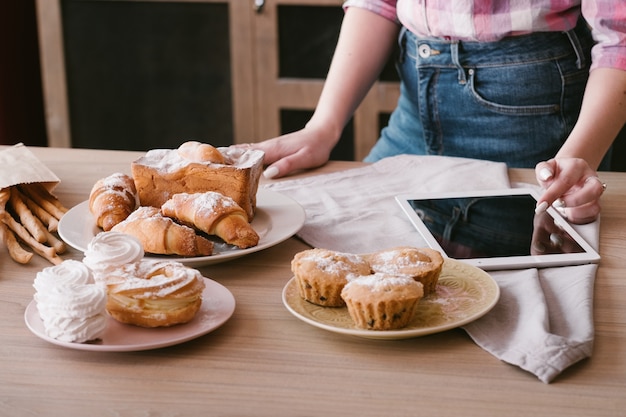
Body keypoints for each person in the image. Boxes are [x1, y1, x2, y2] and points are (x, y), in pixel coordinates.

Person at [244, 1, 626, 224]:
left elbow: (620, 38)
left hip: (531, 112)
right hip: (415, 105)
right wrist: (323, 126)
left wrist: (578, 160)